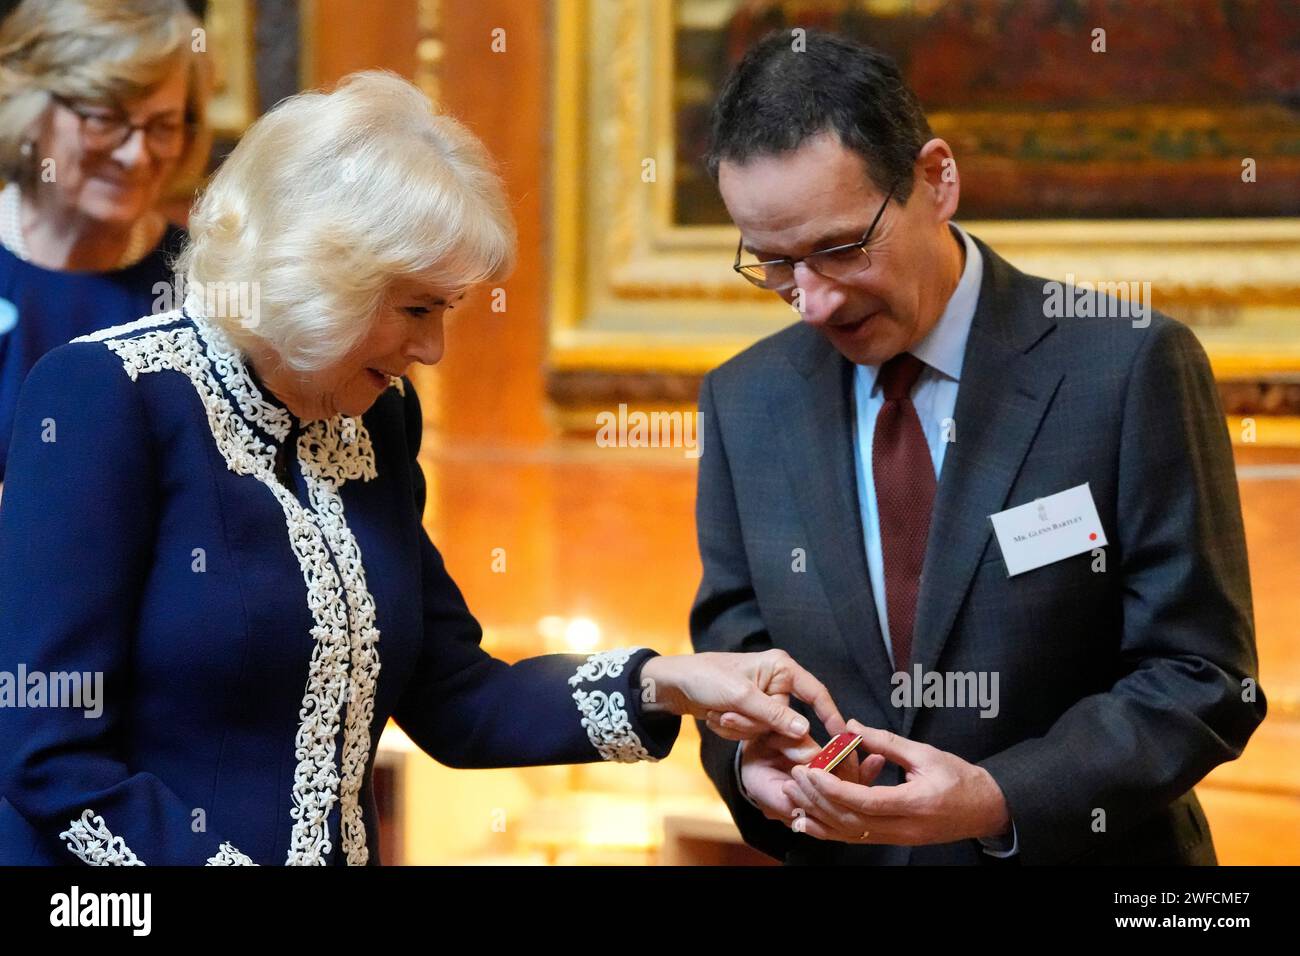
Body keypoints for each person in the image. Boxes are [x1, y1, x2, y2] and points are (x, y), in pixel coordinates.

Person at [0, 70, 841, 866]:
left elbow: (454, 696)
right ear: (318, 276)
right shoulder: (108, 395)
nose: (433, 350)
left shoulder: (378, 416)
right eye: (415, 309)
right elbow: (48, 753)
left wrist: (667, 683)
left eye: (448, 310)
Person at [689, 30, 1266, 865]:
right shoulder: (745, 399)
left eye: (841, 248)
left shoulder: (1126, 365)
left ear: (935, 180)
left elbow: (1203, 676)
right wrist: (750, 764)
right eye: (774, 264)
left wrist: (999, 799)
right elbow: (733, 663)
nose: (810, 302)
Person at [0, 0, 209, 487]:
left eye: (162, 126)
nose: (135, 155)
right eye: (104, 118)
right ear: (31, 107)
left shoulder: (203, 287)